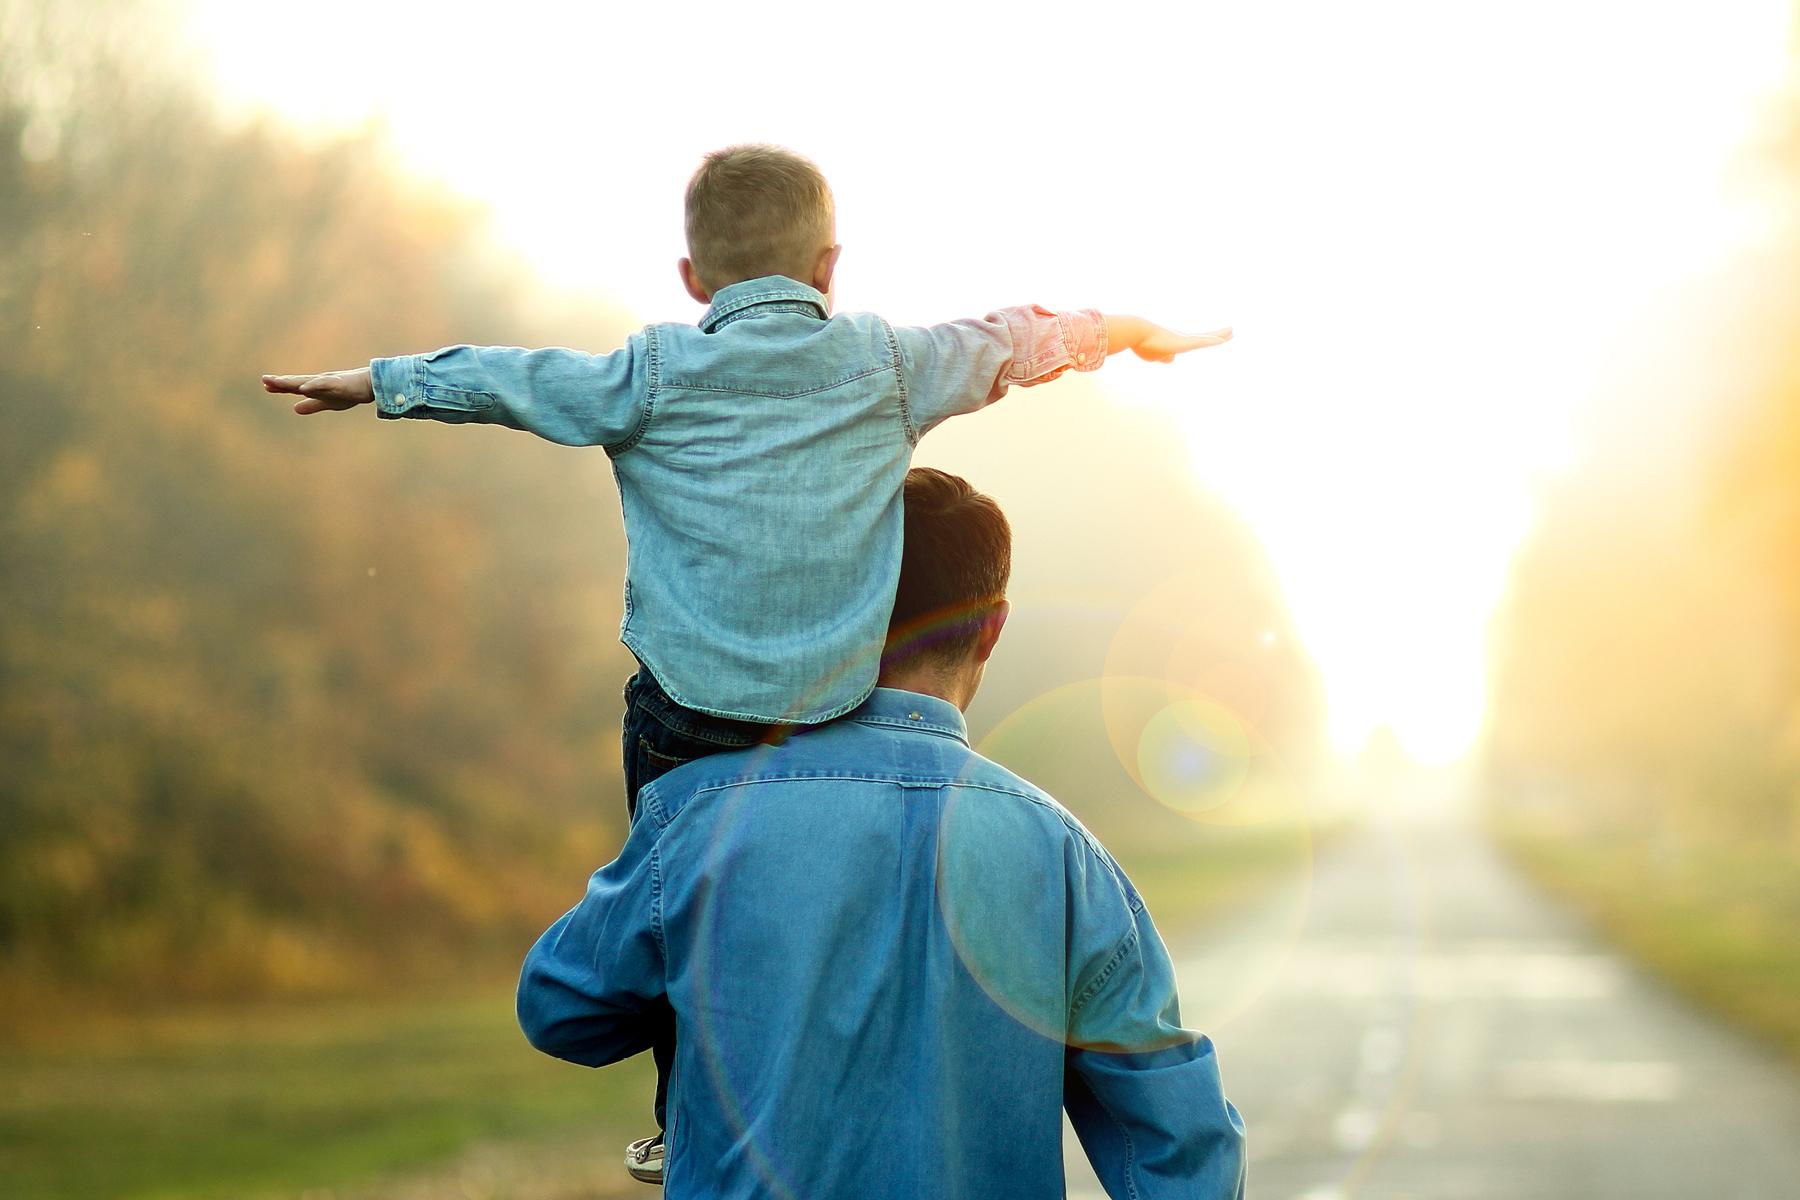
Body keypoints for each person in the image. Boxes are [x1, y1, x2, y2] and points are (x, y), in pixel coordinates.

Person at [261, 144, 1232, 1165]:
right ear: (828, 267)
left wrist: (382, 382)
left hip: (685, 720)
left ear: (693, 278)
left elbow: (517, 381)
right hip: (832, 705)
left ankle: (679, 1111)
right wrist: (1124, 333)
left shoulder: (650, 374)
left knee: (674, 919)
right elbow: (1004, 342)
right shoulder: (884, 364)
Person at [516, 468, 1248, 1199]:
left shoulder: (698, 816)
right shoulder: (1064, 858)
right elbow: (1187, 1151)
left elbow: (560, 1011)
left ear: (834, 603)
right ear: (992, 628)